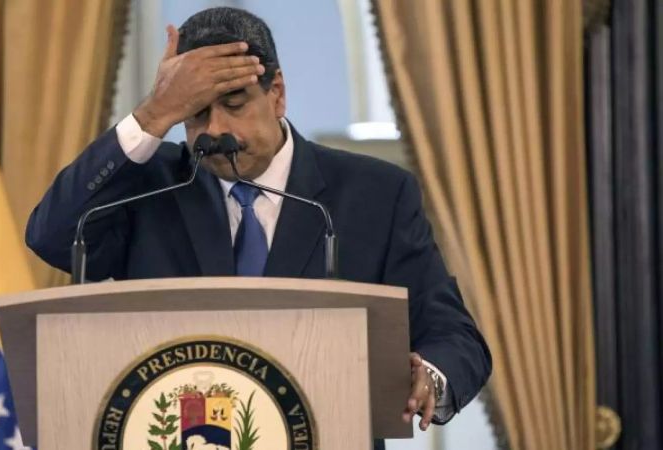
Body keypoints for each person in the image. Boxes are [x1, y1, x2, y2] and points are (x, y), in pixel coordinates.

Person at [25, 6, 491, 446]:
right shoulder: (146, 185)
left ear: (277, 93)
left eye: (234, 102)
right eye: (195, 111)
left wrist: (429, 374)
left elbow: (454, 335)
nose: (216, 129)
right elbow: (51, 236)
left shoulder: (375, 194)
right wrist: (153, 114)